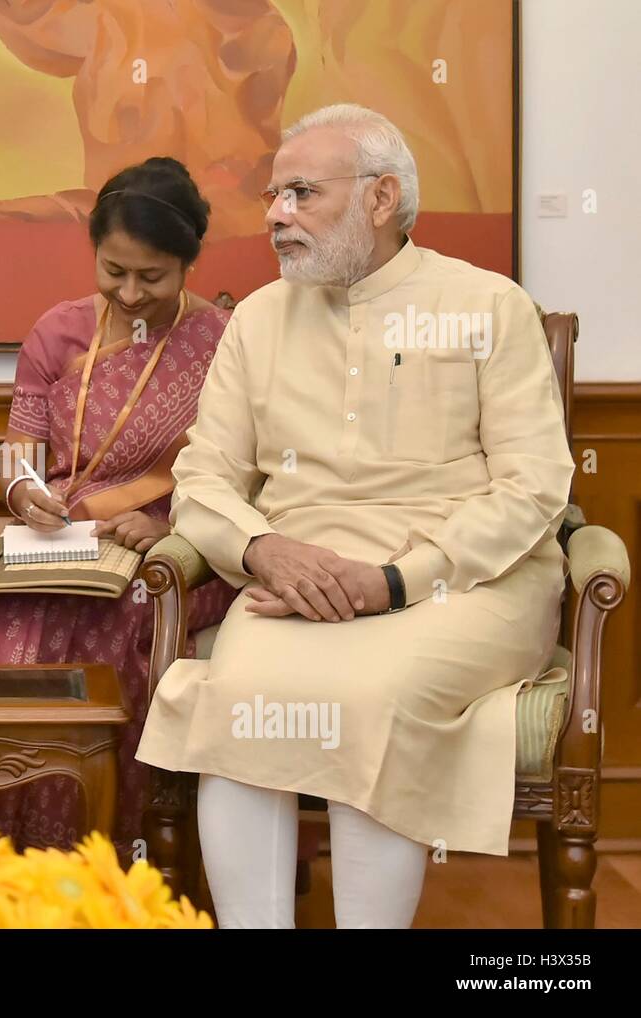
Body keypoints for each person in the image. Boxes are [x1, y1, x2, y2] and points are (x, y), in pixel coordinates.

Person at [136, 104, 575, 928]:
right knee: (237, 696)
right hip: (296, 581)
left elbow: (533, 487)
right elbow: (202, 478)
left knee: (369, 699)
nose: (274, 214)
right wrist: (263, 550)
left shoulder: (488, 305)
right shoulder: (259, 319)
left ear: (381, 198)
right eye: (273, 195)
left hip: (464, 583)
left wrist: (394, 581)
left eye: (301, 192)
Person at [0, 157, 238, 858]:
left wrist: (163, 526)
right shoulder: (58, 333)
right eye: (114, 270)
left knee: (98, 620)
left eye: (152, 277)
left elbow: (243, 480)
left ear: (187, 264)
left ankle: (75, 850)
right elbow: (20, 464)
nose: (130, 292)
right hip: (56, 546)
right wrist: (30, 495)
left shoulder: (227, 343)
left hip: (171, 559)